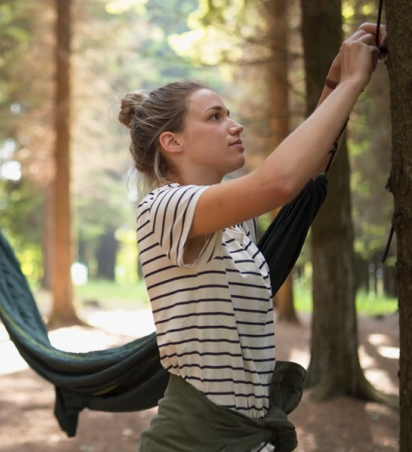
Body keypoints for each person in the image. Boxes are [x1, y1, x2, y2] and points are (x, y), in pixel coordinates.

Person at [121, 24, 386, 452]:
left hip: (245, 433)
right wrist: (353, 82)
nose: (236, 126)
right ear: (172, 142)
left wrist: (336, 82)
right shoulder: (164, 207)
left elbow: (302, 174)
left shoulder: (236, 222)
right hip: (193, 439)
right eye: (215, 117)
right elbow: (278, 183)